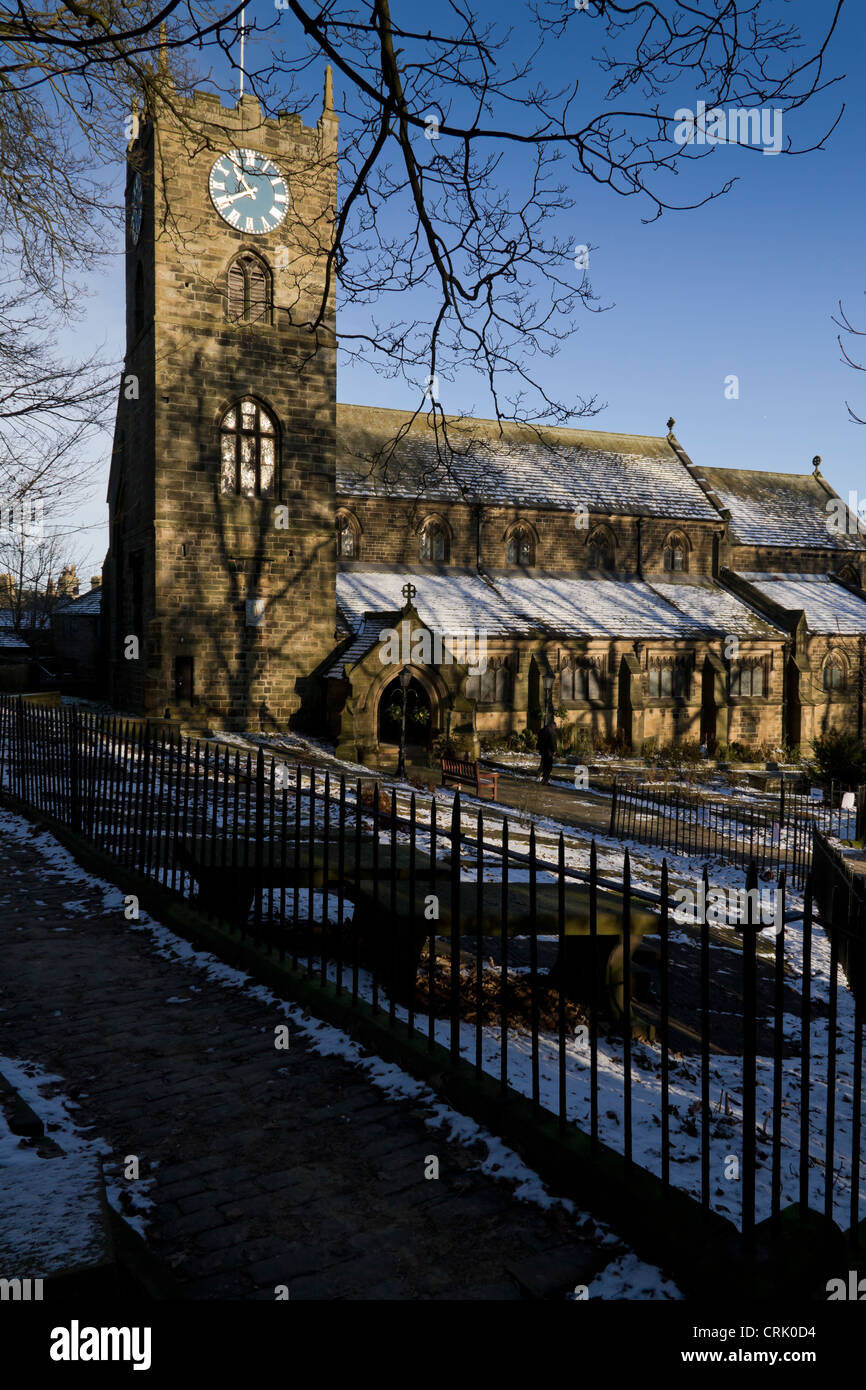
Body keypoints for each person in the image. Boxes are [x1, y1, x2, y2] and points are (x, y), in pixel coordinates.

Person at [537, 717, 558, 784]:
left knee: (544, 764)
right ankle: (545, 779)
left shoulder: (542, 730)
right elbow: (552, 742)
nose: (555, 728)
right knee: (548, 766)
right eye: (555, 727)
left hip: (542, 751)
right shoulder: (552, 732)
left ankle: (543, 776)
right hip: (549, 752)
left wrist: (539, 748)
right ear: (553, 725)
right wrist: (554, 750)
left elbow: (538, 740)